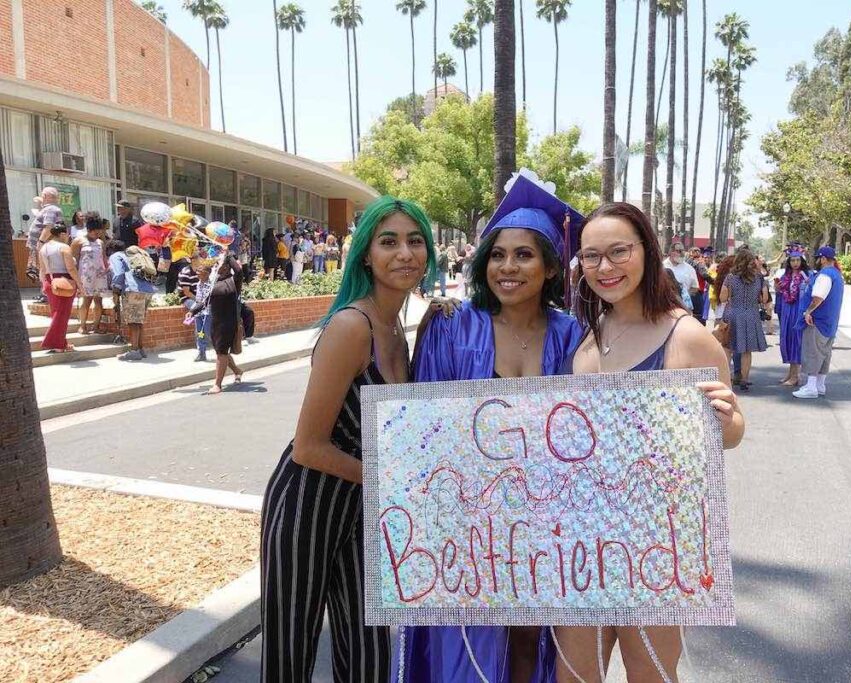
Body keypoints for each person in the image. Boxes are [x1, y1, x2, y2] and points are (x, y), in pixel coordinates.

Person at [396, 174, 586, 683]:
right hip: (468, 518)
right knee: (469, 639)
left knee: (529, 635)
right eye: (497, 254)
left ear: (549, 267)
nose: (508, 266)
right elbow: (425, 431)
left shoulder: (575, 336)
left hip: (543, 517)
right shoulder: (453, 325)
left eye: (524, 255)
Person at [556, 202, 743, 681]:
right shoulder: (591, 332)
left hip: (654, 541)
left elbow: (732, 431)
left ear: (647, 251)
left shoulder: (687, 337)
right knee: (574, 673)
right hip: (583, 536)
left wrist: (724, 418)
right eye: (591, 257)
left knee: (650, 672)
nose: (605, 267)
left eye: (619, 251)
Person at [260, 196, 435, 682]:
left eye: (415, 241)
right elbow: (307, 447)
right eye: (389, 242)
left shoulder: (398, 329)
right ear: (365, 255)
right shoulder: (351, 326)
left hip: (362, 506)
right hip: (308, 503)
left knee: (369, 656)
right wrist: (390, 481)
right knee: (288, 652)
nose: (404, 253)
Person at [792, 246, 845, 399]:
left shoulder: (825, 275)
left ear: (822, 259)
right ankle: (820, 385)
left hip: (817, 321)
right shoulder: (837, 275)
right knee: (825, 353)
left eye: (817, 258)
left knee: (812, 352)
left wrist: (808, 311)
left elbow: (818, 297)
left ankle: (810, 387)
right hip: (830, 322)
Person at [720, 248, 769, 390]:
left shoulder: (730, 277)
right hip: (751, 315)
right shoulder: (759, 278)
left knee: (728, 348)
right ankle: (744, 380)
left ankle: (725, 378)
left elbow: (723, 298)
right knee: (747, 351)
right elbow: (764, 299)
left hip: (733, 313)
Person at [108, 239, 158, 361]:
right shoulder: (131, 256)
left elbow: (118, 274)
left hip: (133, 289)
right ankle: (140, 349)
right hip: (147, 290)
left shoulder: (115, 256)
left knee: (133, 321)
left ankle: (134, 350)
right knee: (139, 321)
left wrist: (116, 289)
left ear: (110, 250)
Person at [38, 222, 83, 352]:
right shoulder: (64, 247)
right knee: (62, 313)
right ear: (63, 234)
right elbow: (71, 268)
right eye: (67, 234)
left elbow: (42, 269)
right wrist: (80, 285)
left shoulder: (43, 248)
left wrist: (43, 284)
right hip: (64, 282)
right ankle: (54, 343)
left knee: (57, 313)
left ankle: (62, 343)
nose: (68, 236)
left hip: (49, 281)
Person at [207, 254, 245, 394]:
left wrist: (227, 256)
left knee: (221, 353)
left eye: (220, 264)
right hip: (215, 321)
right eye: (217, 265)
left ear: (228, 267)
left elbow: (239, 271)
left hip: (228, 322)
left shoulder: (234, 281)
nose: (217, 266)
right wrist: (193, 311)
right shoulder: (215, 281)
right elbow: (206, 300)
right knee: (220, 351)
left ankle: (217, 384)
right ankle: (237, 371)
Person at [776, 250, 811, 386]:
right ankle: (790, 373)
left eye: (797, 260)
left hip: (797, 310)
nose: (795, 263)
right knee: (787, 339)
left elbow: (809, 292)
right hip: (787, 310)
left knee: (796, 341)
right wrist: (778, 288)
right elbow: (782, 291)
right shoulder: (786, 276)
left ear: (802, 261)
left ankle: (796, 376)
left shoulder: (805, 276)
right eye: (792, 260)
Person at [70, 212, 108, 335]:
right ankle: (82, 326)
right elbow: (73, 260)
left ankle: (96, 326)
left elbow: (104, 258)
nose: (97, 235)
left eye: (99, 232)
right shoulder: (78, 241)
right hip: (85, 275)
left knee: (98, 300)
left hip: (99, 275)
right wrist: (74, 278)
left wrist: (107, 269)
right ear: (89, 230)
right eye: (95, 232)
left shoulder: (100, 242)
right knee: (86, 300)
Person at [26, 186, 62, 292]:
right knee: (41, 269)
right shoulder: (50, 208)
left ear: (45, 196)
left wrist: (40, 242)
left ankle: (46, 292)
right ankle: (44, 292)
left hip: (43, 245)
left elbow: (49, 226)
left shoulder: (51, 209)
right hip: (43, 244)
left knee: (43, 269)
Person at [184, 263, 214, 362]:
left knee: (208, 333)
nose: (197, 274)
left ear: (207, 273)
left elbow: (204, 302)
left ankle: (220, 351)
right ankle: (202, 352)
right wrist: (193, 311)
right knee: (199, 333)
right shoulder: (199, 283)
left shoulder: (210, 286)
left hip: (207, 313)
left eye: (200, 272)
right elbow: (198, 300)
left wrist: (193, 310)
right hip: (198, 314)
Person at [687, 246, 712, 325]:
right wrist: (714, 282)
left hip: (687, 291)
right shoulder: (698, 263)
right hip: (697, 291)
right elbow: (704, 275)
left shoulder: (685, 263)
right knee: (698, 315)